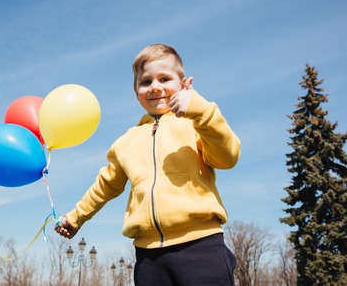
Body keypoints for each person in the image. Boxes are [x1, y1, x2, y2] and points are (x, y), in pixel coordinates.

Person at [55, 44, 241, 285]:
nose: (155, 87)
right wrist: (76, 217)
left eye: (164, 78)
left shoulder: (197, 124)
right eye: (145, 82)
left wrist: (200, 110)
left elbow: (228, 158)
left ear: (183, 83)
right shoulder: (126, 141)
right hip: (148, 256)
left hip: (201, 246)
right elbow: (105, 186)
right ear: (136, 91)